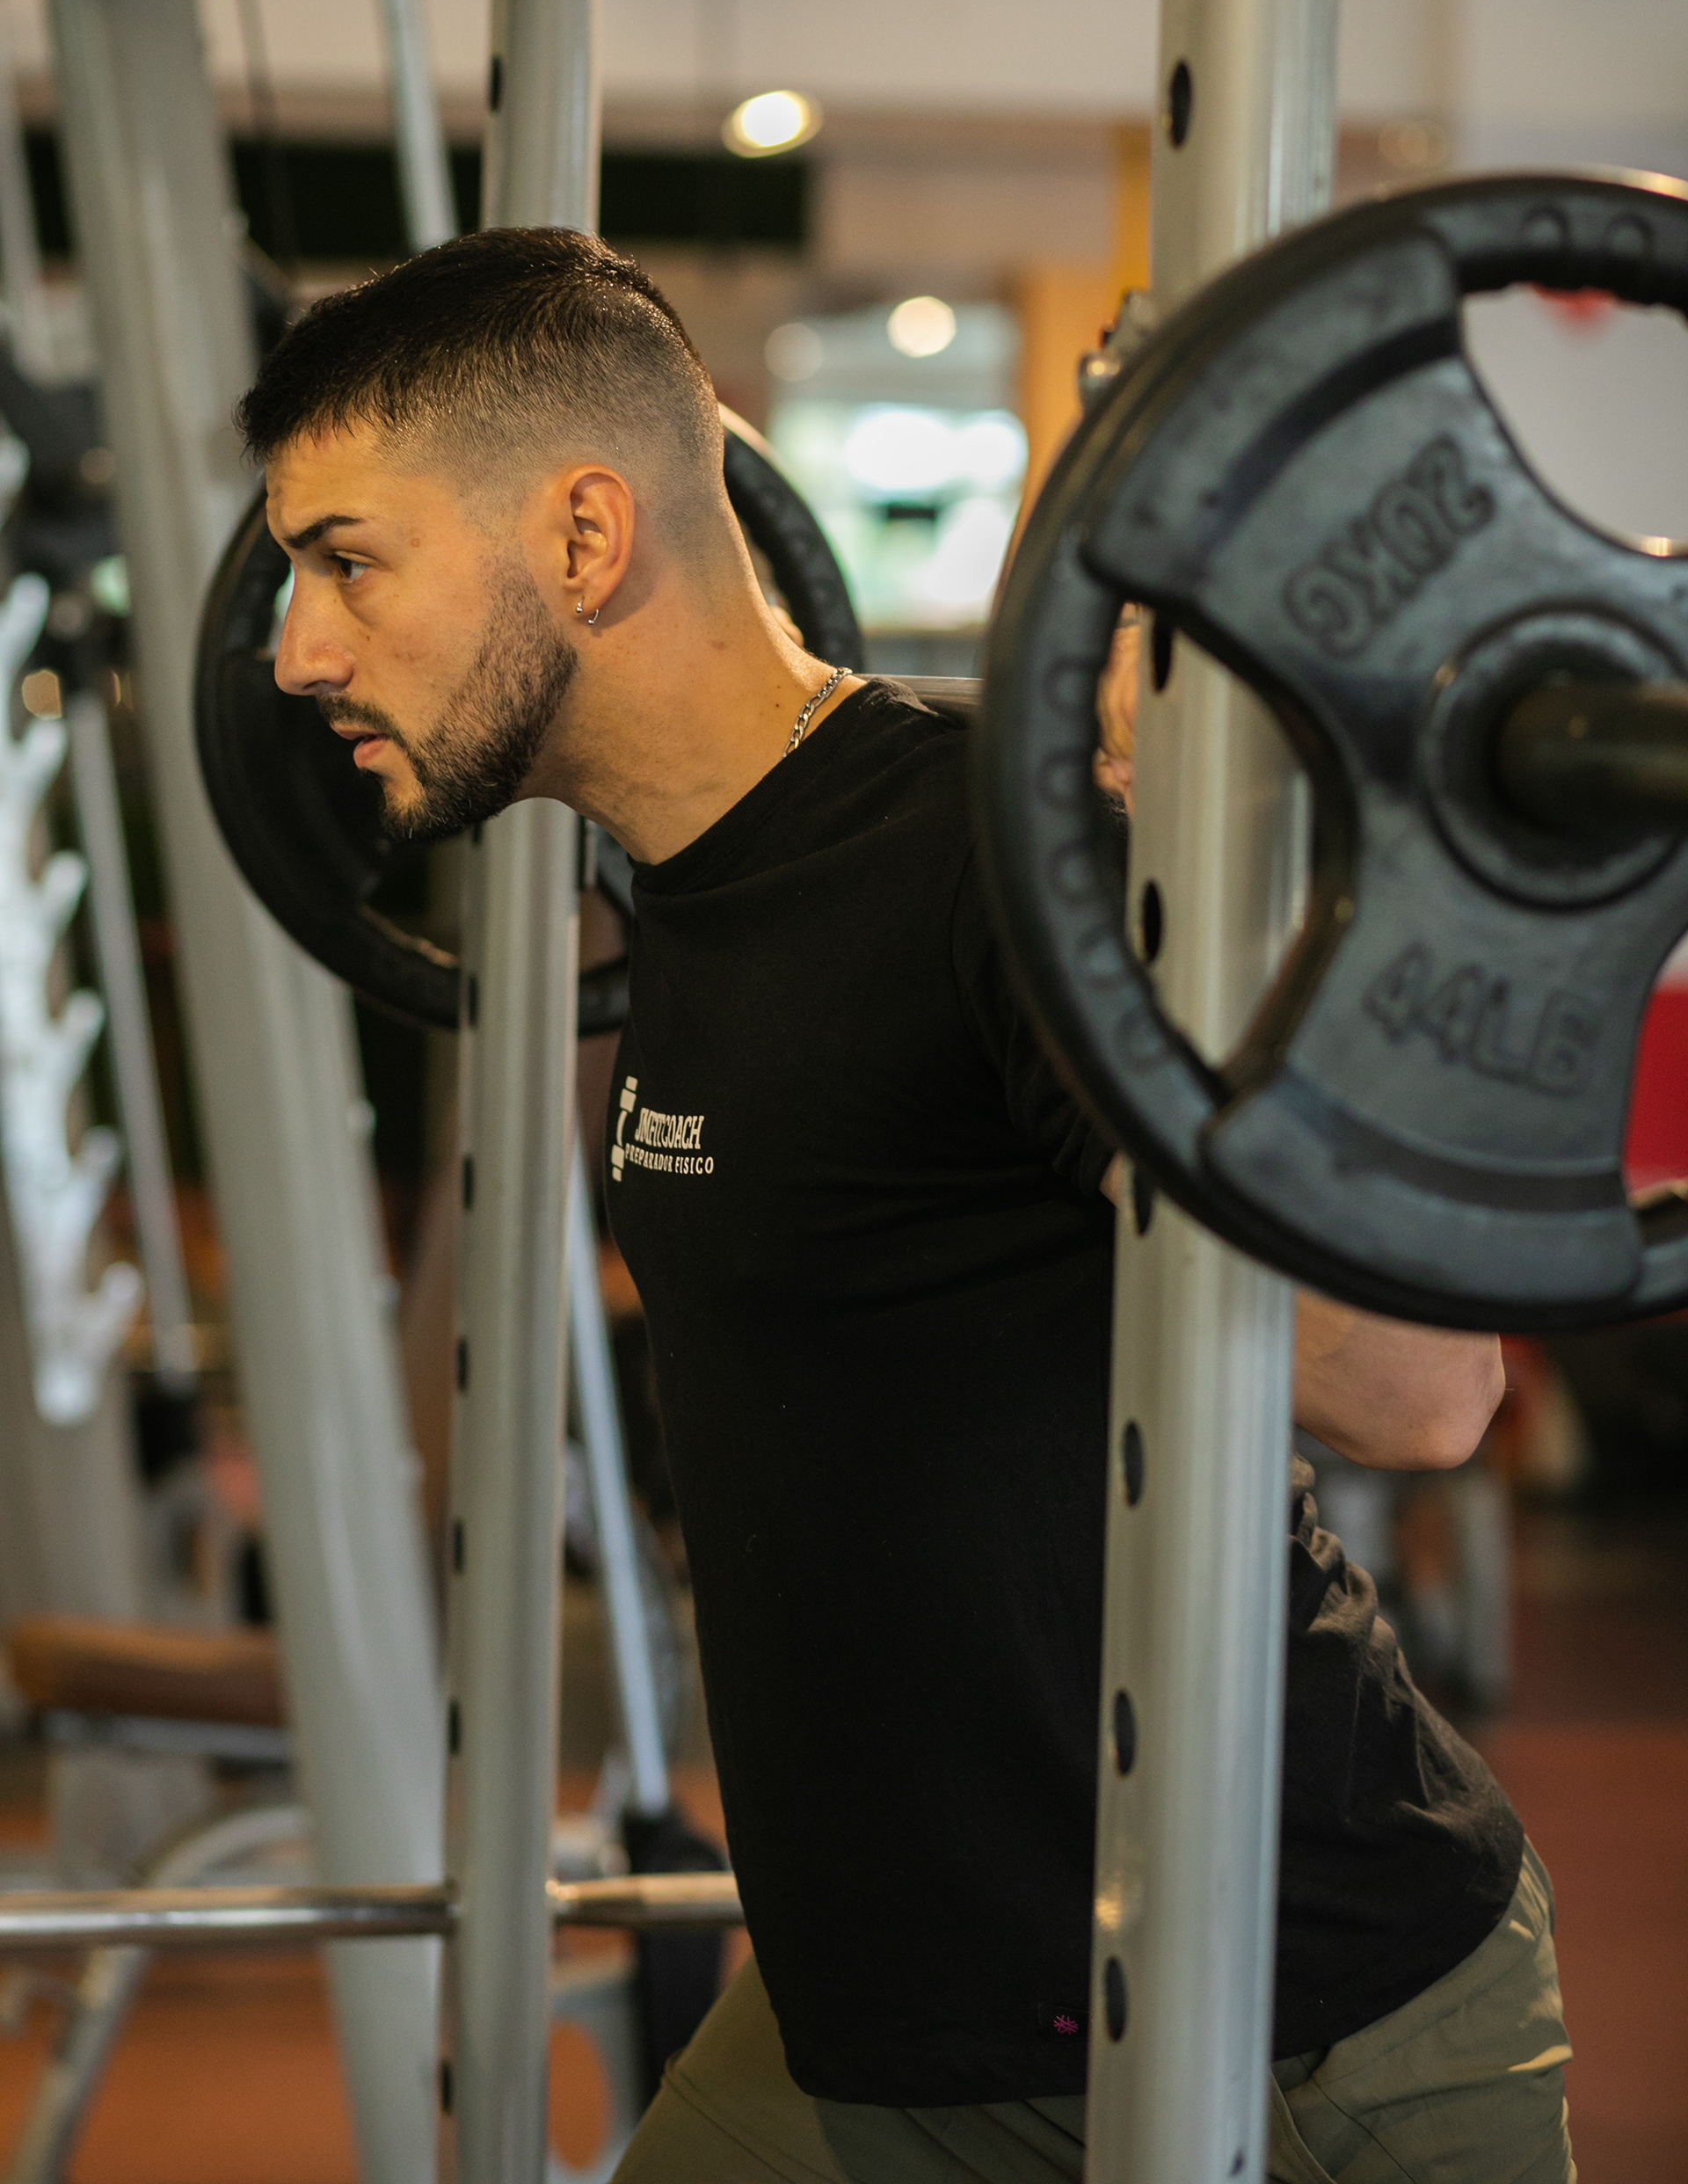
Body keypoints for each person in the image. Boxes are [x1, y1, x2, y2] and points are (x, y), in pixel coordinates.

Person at [240, 228, 1574, 2184]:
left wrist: (1237, 940)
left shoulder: (991, 862)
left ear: (587, 537)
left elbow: (1422, 1395)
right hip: (884, 2004)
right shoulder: (685, 888)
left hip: (1275, 2017)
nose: (297, 650)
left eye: (347, 562)